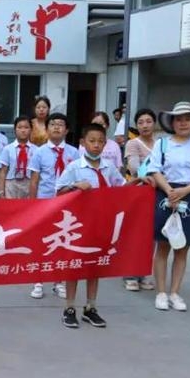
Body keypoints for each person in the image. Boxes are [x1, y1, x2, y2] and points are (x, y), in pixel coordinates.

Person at [55, 122, 127, 328]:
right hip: (78, 224)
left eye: (100, 142)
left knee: (95, 265)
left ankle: (90, 307)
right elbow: (59, 192)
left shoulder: (109, 167)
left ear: (105, 144)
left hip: (101, 222)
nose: (96, 145)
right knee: (75, 265)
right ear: (82, 143)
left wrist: (141, 182)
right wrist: (75, 186)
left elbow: (122, 188)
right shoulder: (74, 167)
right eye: (92, 141)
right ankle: (70, 307)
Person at [147, 101, 190, 312]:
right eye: (178, 119)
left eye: (188, 119)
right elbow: (154, 169)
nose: (183, 123)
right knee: (162, 245)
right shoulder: (162, 144)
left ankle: (175, 293)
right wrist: (170, 191)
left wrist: (185, 191)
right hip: (165, 194)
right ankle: (161, 292)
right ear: (172, 122)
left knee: (182, 248)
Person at [27, 113, 79, 300]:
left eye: (60, 124)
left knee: (62, 241)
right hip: (45, 201)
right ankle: (38, 281)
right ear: (47, 129)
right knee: (42, 241)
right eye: (53, 124)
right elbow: (34, 180)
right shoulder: (39, 152)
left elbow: (78, 178)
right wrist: (33, 205)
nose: (57, 127)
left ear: (66, 130)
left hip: (67, 202)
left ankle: (59, 281)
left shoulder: (74, 153)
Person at [122, 108, 159, 292]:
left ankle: (143, 272)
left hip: (157, 194)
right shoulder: (133, 143)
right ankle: (129, 274)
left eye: (148, 121)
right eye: (141, 122)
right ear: (136, 126)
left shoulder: (162, 144)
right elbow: (135, 168)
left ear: (154, 124)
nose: (145, 125)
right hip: (138, 194)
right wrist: (155, 174)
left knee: (151, 236)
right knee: (135, 234)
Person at [0, 116, 36, 200]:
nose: (23, 130)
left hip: (28, 183)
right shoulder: (8, 149)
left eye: (26, 127)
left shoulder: (36, 150)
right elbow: (3, 172)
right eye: (19, 127)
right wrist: (1, 192)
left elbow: (36, 173)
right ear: (15, 130)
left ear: (31, 130)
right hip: (11, 183)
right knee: (11, 207)